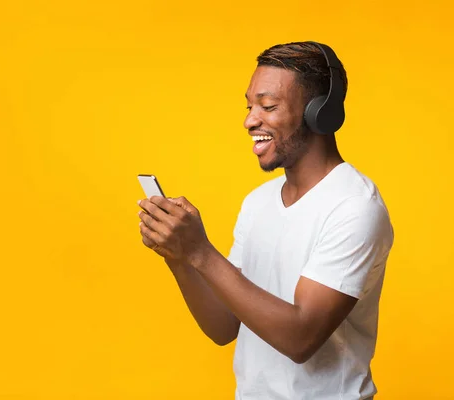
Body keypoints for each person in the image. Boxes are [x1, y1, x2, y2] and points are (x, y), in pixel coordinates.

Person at [137, 41, 394, 400]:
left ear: (319, 113)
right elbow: (224, 326)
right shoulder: (258, 203)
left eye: (268, 106)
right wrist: (179, 257)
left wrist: (200, 252)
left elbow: (301, 338)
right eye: (249, 106)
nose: (249, 120)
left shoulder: (354, 207)